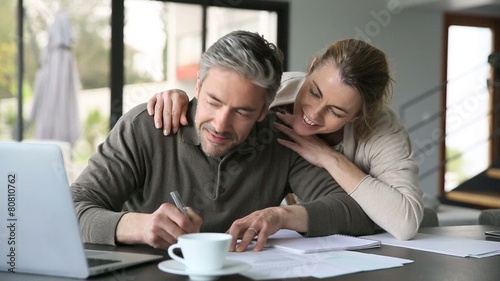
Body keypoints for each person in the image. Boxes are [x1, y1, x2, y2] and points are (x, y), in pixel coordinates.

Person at [72, 31, 376, 253]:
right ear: (198, 85)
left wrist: (282, 215)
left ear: (264, 109)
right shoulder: (146, 126)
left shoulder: (280, 137)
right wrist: (139, 226)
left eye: (242, 112)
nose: (220, 124)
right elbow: (70, 209)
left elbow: (357, 212)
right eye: (213, 102)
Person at [147, 38, 424, 240]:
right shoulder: (278, 90)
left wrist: (329, 157)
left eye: (336, 111)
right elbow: (221, 92)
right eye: (314, 92)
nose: (313, 114)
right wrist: (180, 99)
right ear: (312, 66)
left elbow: (405, 223)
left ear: (358, 115)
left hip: (364, 231)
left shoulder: (382, 130)